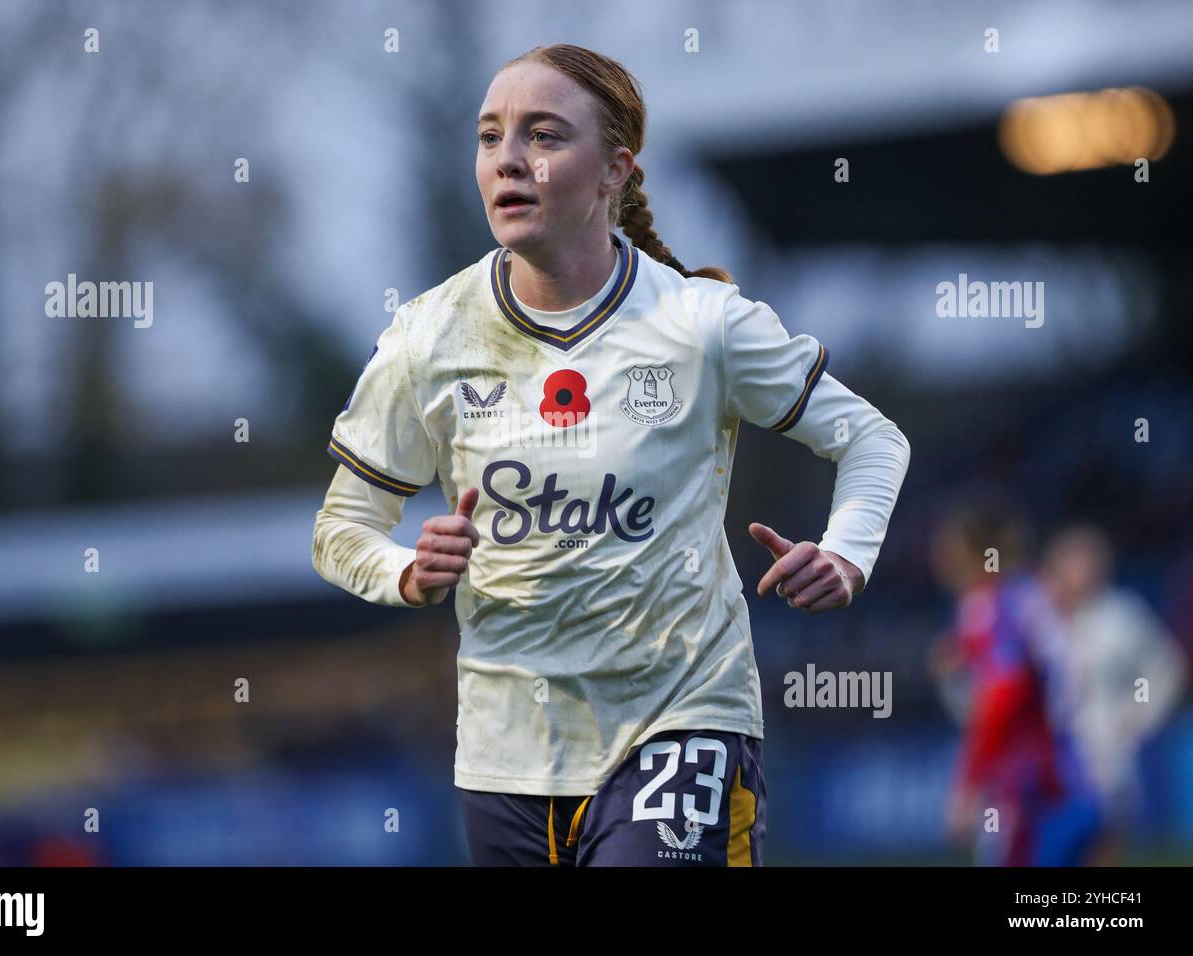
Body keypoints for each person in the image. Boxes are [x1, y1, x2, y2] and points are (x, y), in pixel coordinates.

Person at [312, 44, 910, 866]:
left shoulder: (704, 324)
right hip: (504, 758)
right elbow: (343, 526)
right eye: (490, 137)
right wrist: (406, 571)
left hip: (681, 720)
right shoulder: (429, 337)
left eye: (544, 136)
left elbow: (872, 439)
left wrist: (847, 553)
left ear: (614, 170)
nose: (509, 159)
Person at [928, 495, 1103, 866]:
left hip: (1028, 787)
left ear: (972, 549)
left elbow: (1004, 692)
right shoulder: (1027, 596)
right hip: (1071, 778)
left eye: (949, 545)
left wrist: (968, 784)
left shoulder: (989, 606)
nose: (939, 557)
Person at [1039, 523, 1188, 863]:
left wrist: (1136, 714)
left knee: (1101, 848)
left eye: (1087, 562)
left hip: (1105, 759)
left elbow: (1164, 669)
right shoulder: (1038, 621)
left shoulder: (1121, 616)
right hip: (1044, 762)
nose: (1079, 572)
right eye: (1070, 562)